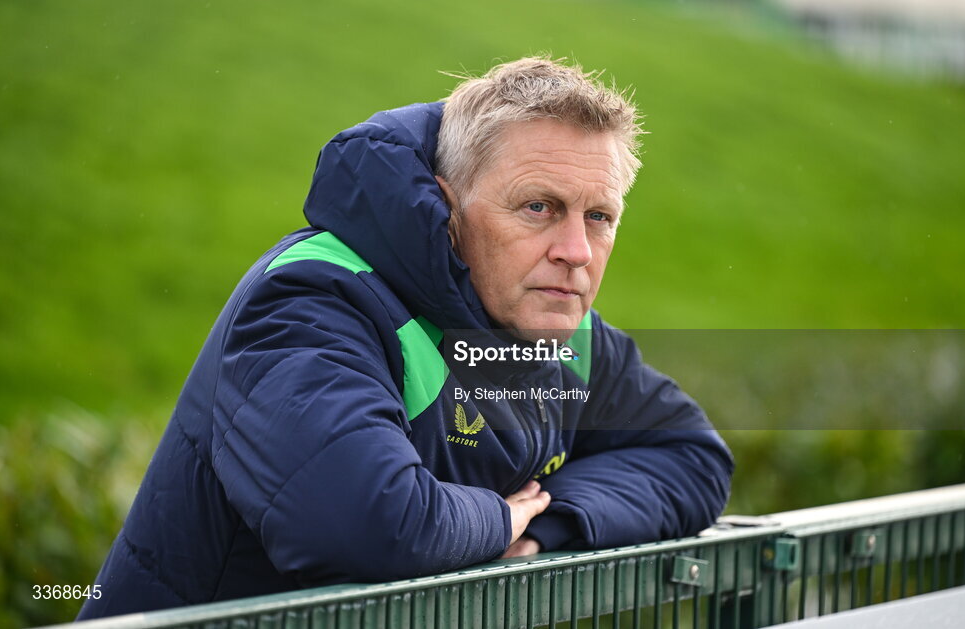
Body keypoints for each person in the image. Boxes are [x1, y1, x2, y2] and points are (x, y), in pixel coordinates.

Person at [77, 56, 733, 620]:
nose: (575, 251)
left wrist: (548, 524)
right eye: (539, 207)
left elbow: (692, 457)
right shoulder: (314, 301)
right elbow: (366, 522)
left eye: (599, 217)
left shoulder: (568, 337)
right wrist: (498, 520)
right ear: (447, 207)